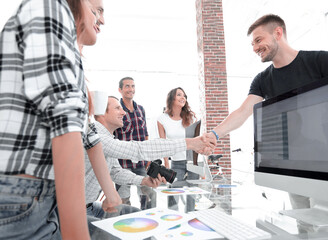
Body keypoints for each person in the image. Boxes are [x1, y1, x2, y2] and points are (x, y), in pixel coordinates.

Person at [204, 14, 328, 224]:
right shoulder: (263, 80)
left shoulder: (322, 61)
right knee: (305, 227)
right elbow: (243, 112)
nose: (255, 48)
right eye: (252, 43)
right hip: (295, 168)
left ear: (278, 33)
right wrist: (213, 134)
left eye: (258, 40)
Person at [0, 0, 99, 239]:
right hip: (22, 195)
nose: (101, 19)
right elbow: (64, 123)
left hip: (38, 197)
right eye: (96, 10)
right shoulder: (49, 6)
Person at [86, 96, 215, 239]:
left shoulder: (108, 139)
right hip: (74, 213)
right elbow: (138, 150)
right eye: (117, 108)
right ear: (101, 113)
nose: (124, 112)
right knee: (115, 235)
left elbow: (115, 172)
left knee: (141, 218)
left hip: (91, 207)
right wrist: (189, 144)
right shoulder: (95, 134)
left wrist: (144, 181)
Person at [114, 77, 155, 210]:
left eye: (132, 86)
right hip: (123, 163)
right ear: (120, 90)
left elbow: (145, 134)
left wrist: (148, 157)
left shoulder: (140, 109)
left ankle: (147, 220)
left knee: (148, 196)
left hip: (140, 162)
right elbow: (112, 136)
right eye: (127, 86)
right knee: (123, 200)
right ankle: (126, 226)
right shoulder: (117, 110)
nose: (130, 89)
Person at [157, 87, 200, 212]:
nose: (183, 98)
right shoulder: (162, 119)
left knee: (192, 195)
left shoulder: (190, 117)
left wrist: (201, 166)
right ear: (172, 98)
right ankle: (173, 218)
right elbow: (162, 143)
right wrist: (166, 163)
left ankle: (190, 217)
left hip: (192, 161)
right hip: (176, 162)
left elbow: (196, 140)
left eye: (184, 96)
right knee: (173, 193)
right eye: (179, 95)